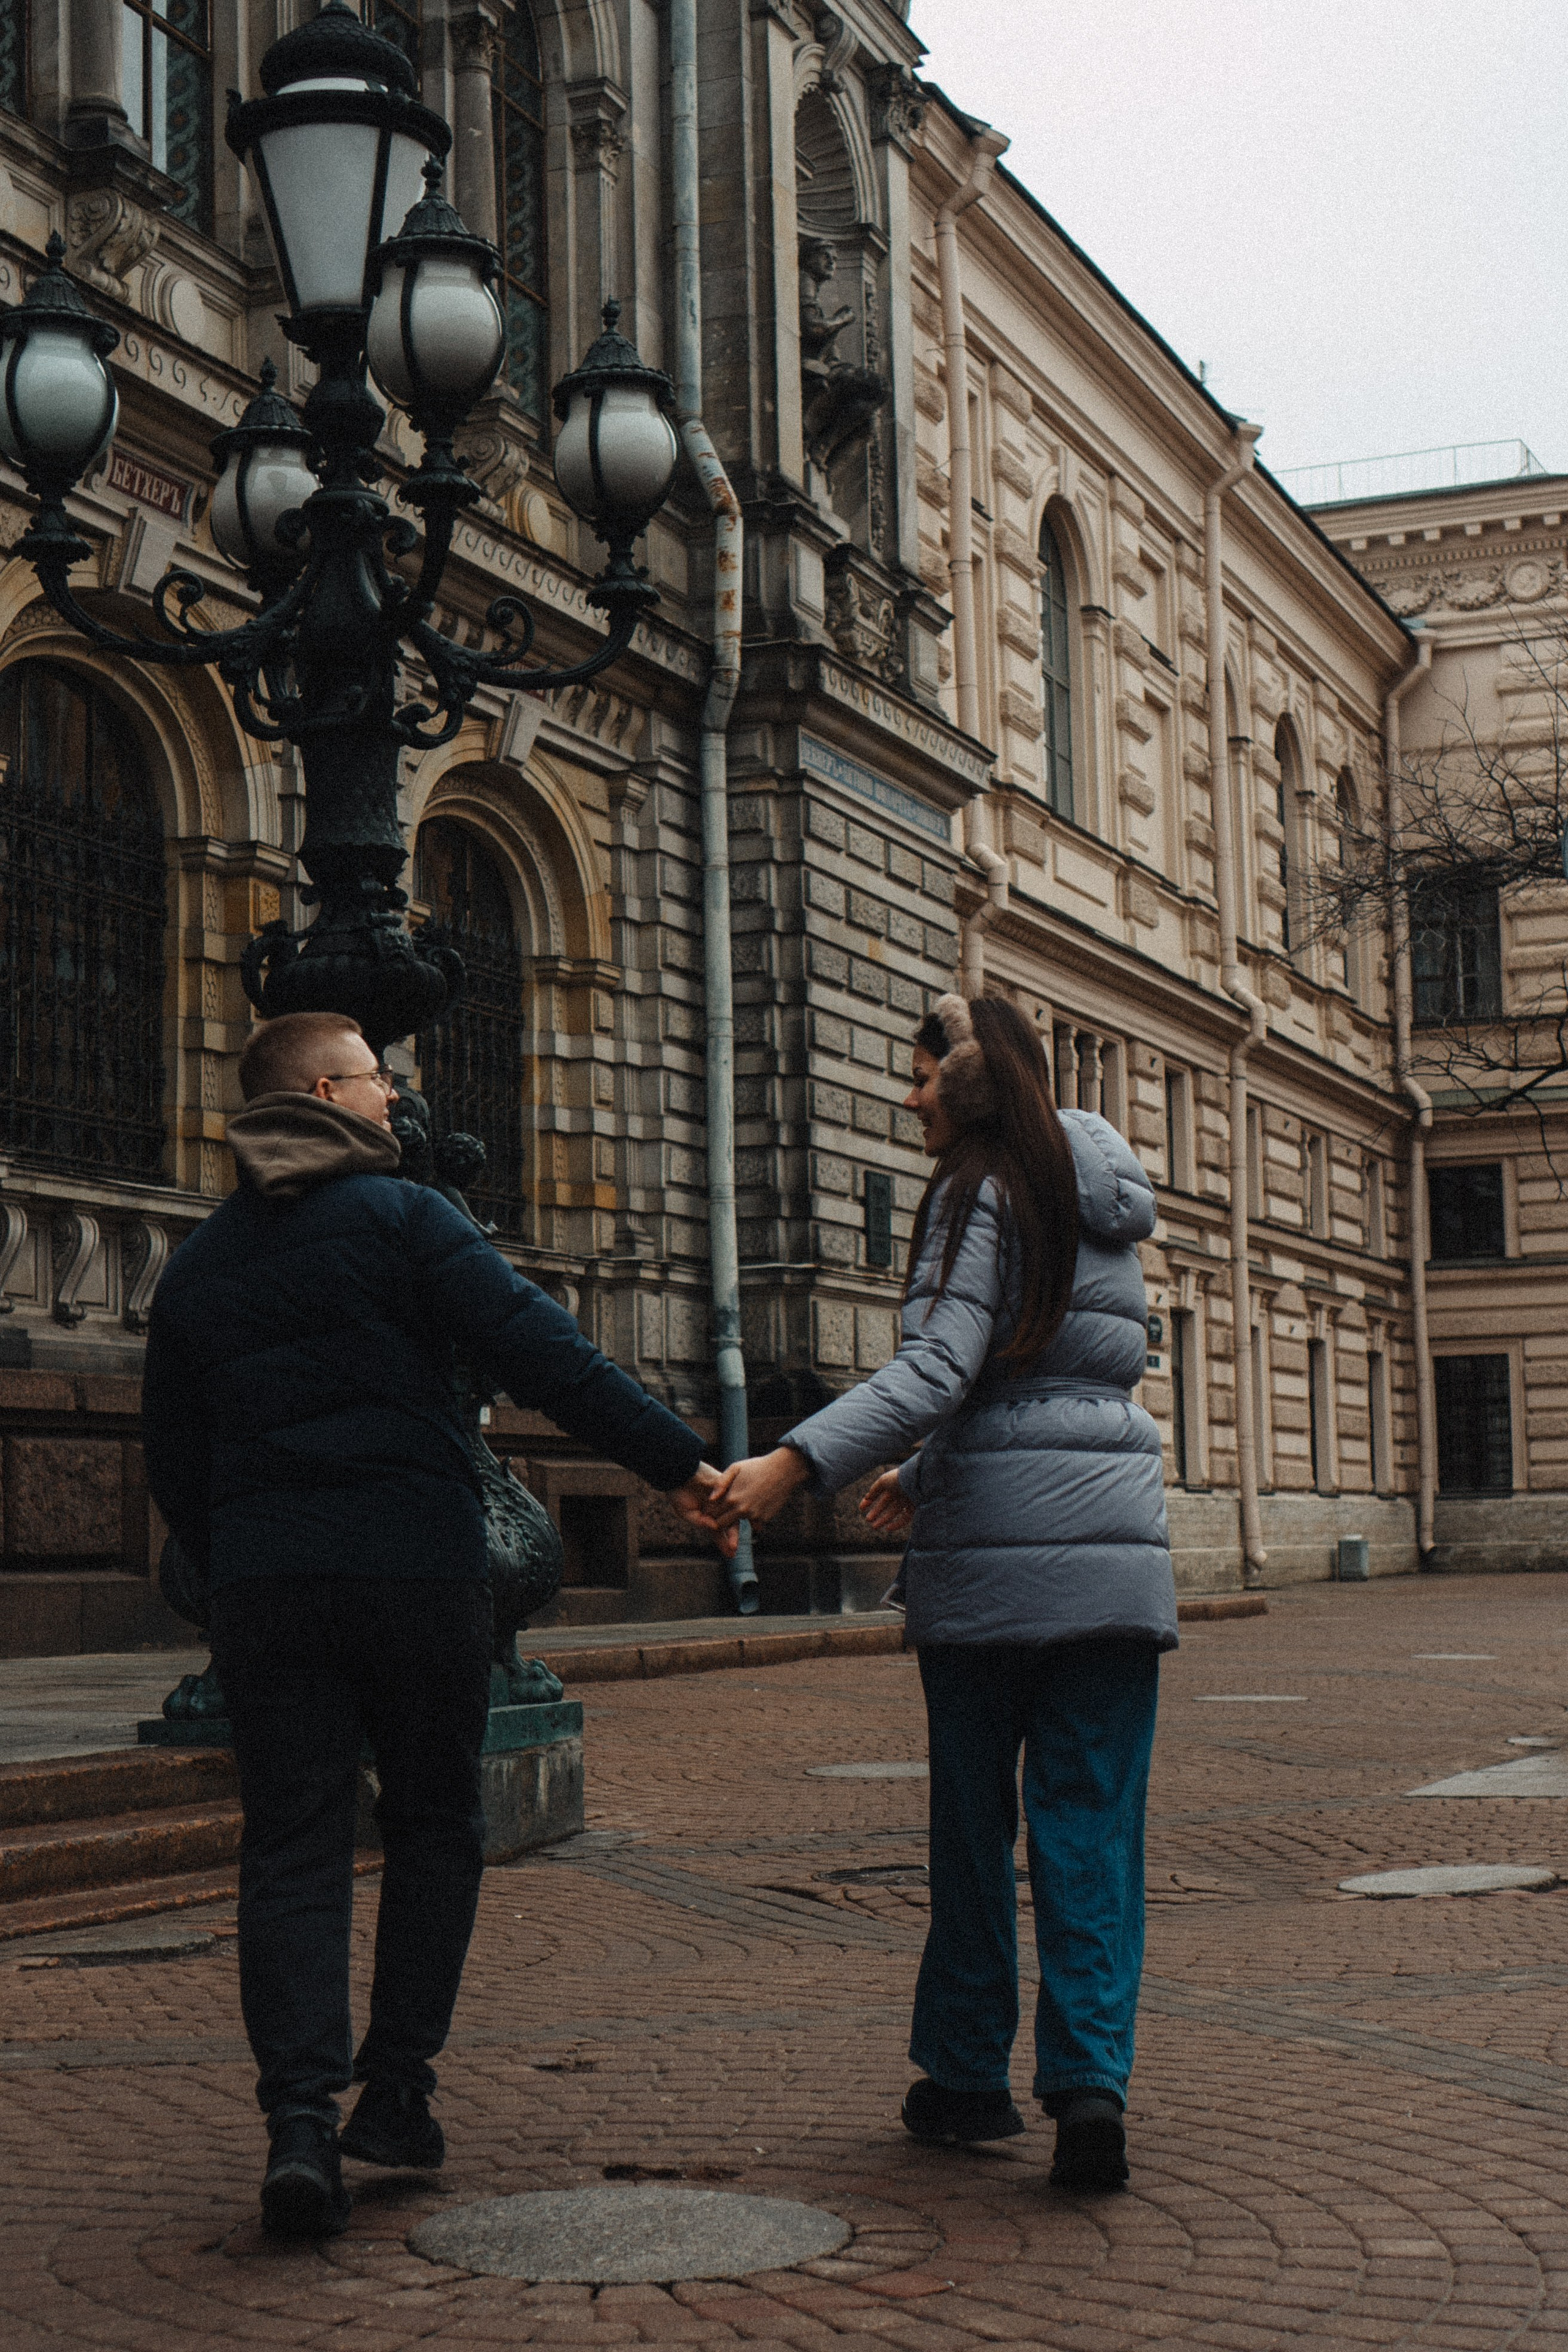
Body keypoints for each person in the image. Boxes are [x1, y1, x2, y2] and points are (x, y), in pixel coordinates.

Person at [141, 1010, 734, 2241]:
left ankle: (299, 2126)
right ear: (323, 1093)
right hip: (415, 1571)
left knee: (291, 1848)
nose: (394, 1095)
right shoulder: (410, 1219)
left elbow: (174, 1463)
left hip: (268, 1589)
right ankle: (398, 2094)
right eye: (375, 1077)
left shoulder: (199, 1265)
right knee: (432, 1827)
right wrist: (681, 1468)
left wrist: (242, 1554)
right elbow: (550, 1357)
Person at [710, 993, 1175, 2192]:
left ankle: (967, 2078)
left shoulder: (978, 1187)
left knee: (973, 1830)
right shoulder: (1096, 1195)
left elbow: (940, 1369)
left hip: (990, 1581)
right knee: (1090, 1827)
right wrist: (923, 1472)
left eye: (920, 1074)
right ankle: (1090, 2086)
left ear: (969, 1081)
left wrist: (793, 1463)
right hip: (1114, 1555)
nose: (908, 1096)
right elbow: (1054, 1377)